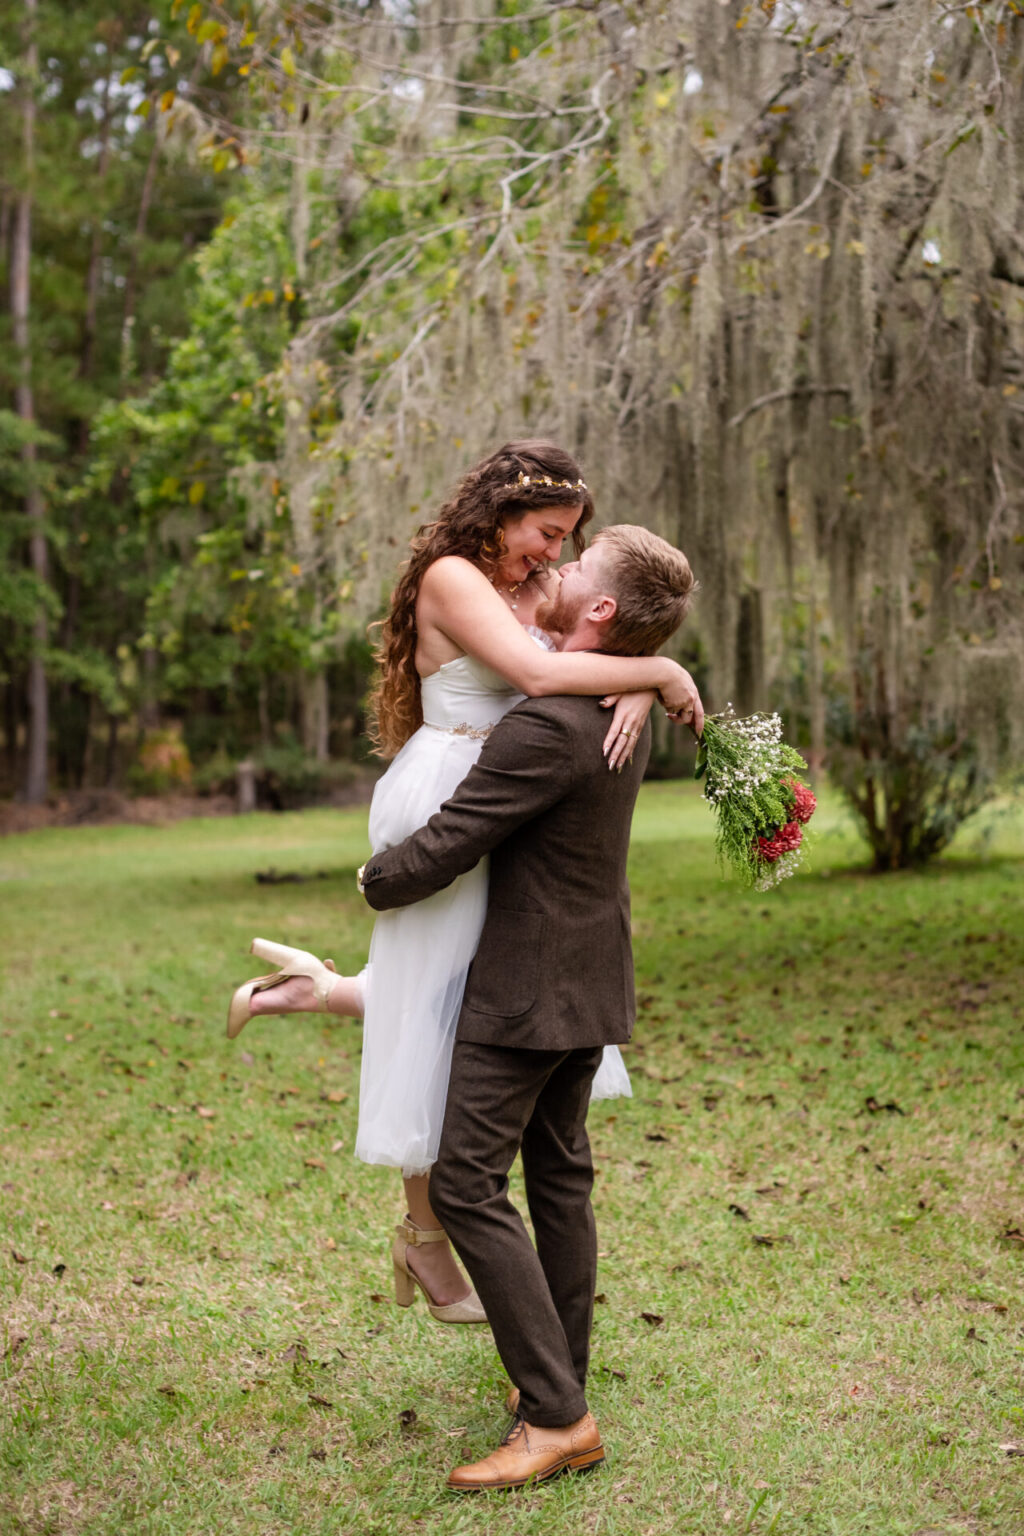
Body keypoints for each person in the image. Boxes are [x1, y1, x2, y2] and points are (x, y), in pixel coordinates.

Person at [226, 442, 702, 1324]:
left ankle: (316, 990)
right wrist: (663, 674)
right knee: (446, 1005)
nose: (552, 553)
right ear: (502, 513)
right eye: (544, 533)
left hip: (510, 803)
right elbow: (537, 675)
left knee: (468, 999)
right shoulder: (453, 576)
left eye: (567, 540)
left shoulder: (533, 590)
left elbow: (582, 647)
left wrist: (637, 676)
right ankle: (425, 1236)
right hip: (448, 797)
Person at [358, 522, 697, 1489]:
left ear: (598, 611)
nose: (557, 565)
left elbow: (455, 839)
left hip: (527, 991)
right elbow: (580, 669)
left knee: (466, 1182)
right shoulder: (615, 710)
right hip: (591, 979)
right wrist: (653, 674)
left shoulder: (549, 723)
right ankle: (555, 1378)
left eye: (576, 564)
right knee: (558, 1177)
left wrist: (374, 880)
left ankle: (557, 1419)